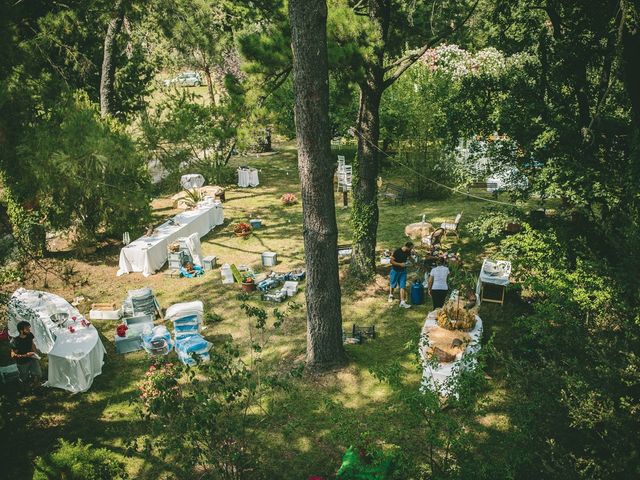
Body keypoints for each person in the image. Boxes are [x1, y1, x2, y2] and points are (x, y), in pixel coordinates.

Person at [10, 321, 42, 387]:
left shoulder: (29, 335)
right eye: (27, 328)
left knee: (38, 373)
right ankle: (24, 389)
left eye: (29, 328)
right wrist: (26, 355)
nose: (29, 330)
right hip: (22, 362)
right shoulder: (15, 341)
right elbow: (13, 356)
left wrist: (36, 354)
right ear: (21, 331)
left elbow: (32, 345)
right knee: (24, 378)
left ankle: (35, 385)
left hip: (32, 358)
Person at [389, 241, 414, 308]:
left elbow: (410, 257)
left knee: (402, 286)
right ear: (407, 247)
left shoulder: (408, 251)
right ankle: (391, 295)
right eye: (411, 248)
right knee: (392, 284)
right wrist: (400, 264)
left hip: (403, 271)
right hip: (395, 270)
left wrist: (414, 262)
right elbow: (391, 261)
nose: (411, 250)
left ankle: (402, 302)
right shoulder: (397, 252)